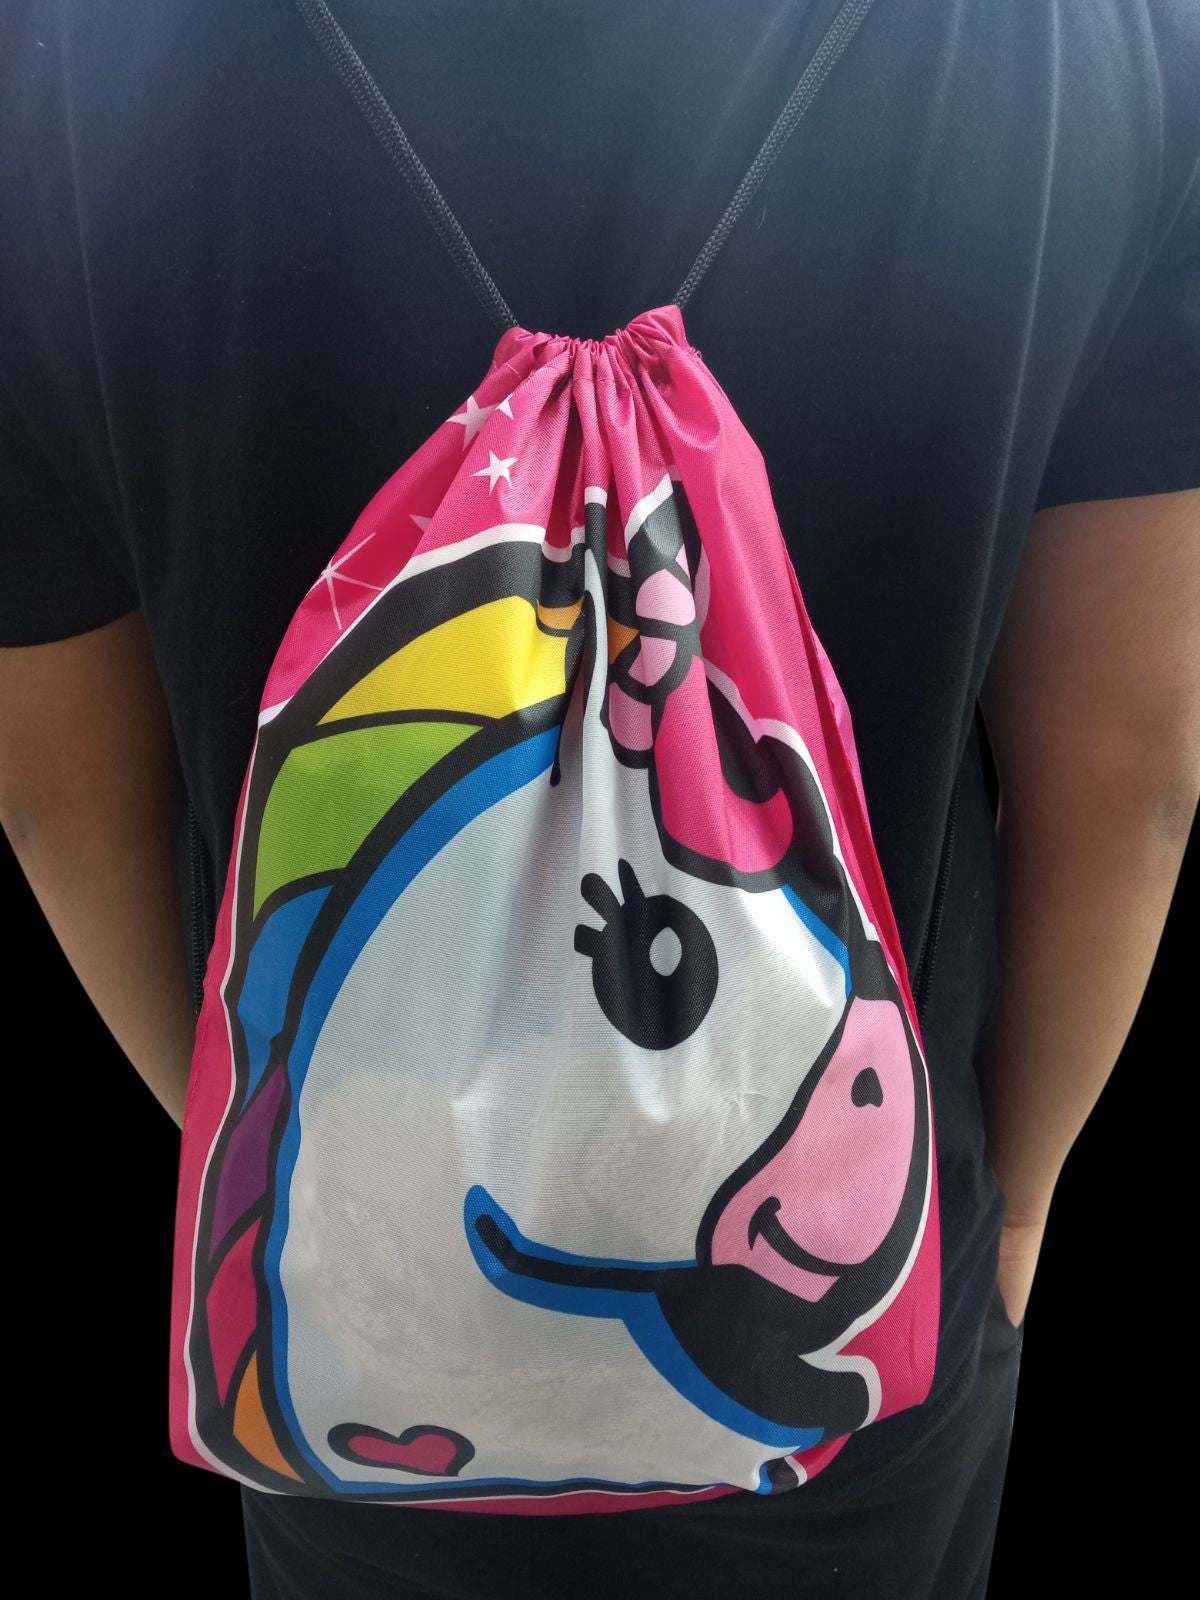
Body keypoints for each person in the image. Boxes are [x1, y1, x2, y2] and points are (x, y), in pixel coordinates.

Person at [1, 1, 1195, 1595]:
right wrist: (1017, 1209)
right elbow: (1132, 770)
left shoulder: (60, 63)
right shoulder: (1098, 36)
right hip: (862, 1331)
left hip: (362, 1370)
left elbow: (51, 789)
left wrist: (284, 1175)